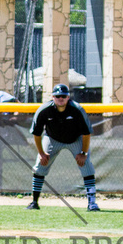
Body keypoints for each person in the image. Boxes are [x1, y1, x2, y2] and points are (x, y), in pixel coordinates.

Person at [27, 83, 100, 212]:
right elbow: (37, 134)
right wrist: (41, 153)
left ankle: (92, 203)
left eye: (64, 96)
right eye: (58, 96)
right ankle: (34, 202)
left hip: (75, 139)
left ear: (68, 97)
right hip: (52, 138)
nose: (61, 99)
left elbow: (86, 133)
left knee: (86, 165)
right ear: (53, 97)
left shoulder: (77, 109)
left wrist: (83, 152)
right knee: (40, 165)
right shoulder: (44, 110)